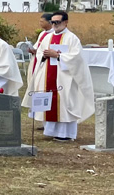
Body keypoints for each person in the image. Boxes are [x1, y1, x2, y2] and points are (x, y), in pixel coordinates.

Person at [22, 11, 94, 141]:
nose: (55, 25)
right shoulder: (47, 38)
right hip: (47, 74)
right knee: (48, 101)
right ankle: (50, 130)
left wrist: (59, 56)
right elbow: (39, 53)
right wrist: (43, 55)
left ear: (65, 22)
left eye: (57, 22)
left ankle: (65, 133)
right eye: (53, 22)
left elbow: (77, 58)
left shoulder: (72, 38)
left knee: (65, 103)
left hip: (65, 76)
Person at [26, 13, 54, 90]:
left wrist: (38, 51)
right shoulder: (42, 33)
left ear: (49, 22)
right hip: (36, 59)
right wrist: (32, 50)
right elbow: (37, 46)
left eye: (42, 21)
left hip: (44, 60)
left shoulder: (53, 34)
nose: (40, 23)